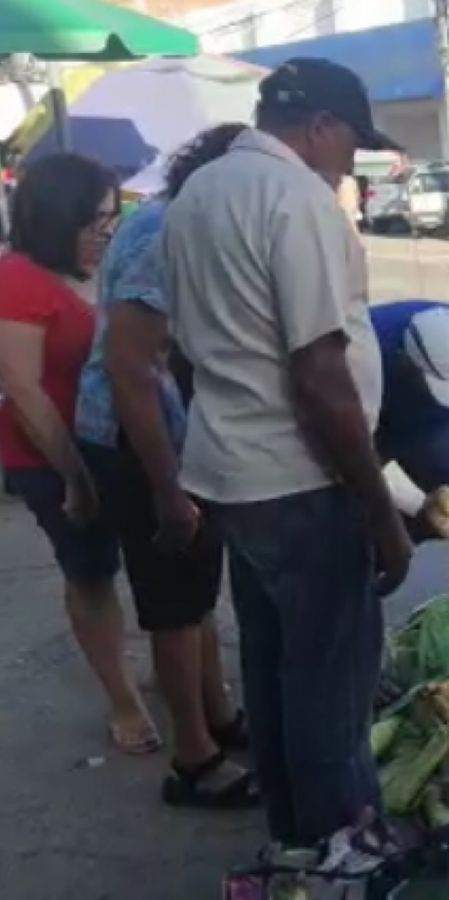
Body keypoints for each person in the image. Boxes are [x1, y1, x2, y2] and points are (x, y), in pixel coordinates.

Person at [163, 58, 411, 851]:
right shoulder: (296, 197)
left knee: (277, 676)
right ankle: (344, 860)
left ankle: (297, 848)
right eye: (351, 144)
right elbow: (319, 372)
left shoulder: (197, 193)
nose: (349, 163)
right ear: (321, 127)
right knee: (331, 694)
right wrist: (380, 510)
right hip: (303, 481)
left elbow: (184, 352)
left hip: (235, 474)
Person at [75, 124, 258, 808]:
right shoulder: (164, 236)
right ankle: (193, 758)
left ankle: (217, 715)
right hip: (137, 438)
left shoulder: (173, 221)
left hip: (168, 429)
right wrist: (169, 491)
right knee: (175, 601)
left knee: (195, 587)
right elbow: (130, 370)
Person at [0, 153, 160, 756]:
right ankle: (122, 697)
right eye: (94, 219)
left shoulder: (105, 267)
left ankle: (163, 671)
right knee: (91, 572)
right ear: (55, 215)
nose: (104, 231)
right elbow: (25, 393)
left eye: (111, 219)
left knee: (148, 565)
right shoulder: (16, 279)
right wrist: (75, 477)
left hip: (122, 443)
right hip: (52, 456)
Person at [369, 299, 449, 538]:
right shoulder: (365, 346)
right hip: (373, 417)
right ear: (407, 361)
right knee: (342, 507)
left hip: (434, 422)